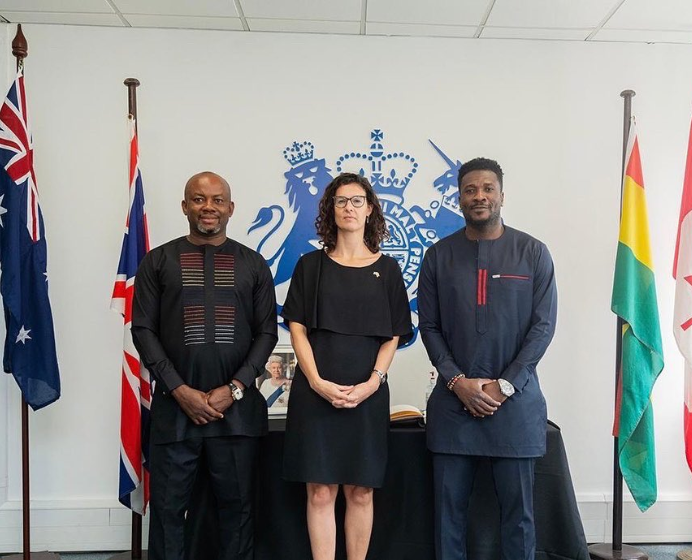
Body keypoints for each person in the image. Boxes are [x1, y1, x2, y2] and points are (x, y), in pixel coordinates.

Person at [131, 171, 278, 560]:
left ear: (231, 208)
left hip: (238, 415)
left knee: (239, 512)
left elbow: (267, 334)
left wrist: (234, 390)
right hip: (175, 412)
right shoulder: (157, 261)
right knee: (167, 513)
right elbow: (143, 330)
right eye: (198, 199)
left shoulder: (253, 264)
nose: (208, 207)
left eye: (216, 200)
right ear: (184, 207)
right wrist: (180, 391)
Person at [418, 157, 557, 560]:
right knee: (448, 518)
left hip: (514, 407)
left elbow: (542, 328)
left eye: (487, 189)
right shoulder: (438, 256)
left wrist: (506, 383)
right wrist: (457, 382)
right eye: (470, 190)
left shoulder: (532, 252)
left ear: (501, 195)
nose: (479, 196)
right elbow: (429, 327)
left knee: (519, 518)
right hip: (452, 407)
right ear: (459, 197)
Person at [281, 172, 412, 560]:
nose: (349, 208)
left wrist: (374, 382)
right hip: (315, 394)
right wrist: (318, 382)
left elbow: (392, 336)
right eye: (341, 201)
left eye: (357, 201)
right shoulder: (309, 265)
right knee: (320, 490)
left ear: (370, 209)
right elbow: (297, 330)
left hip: (367, 395)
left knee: (361, 490)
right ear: (330, 210)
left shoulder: (387, 270)